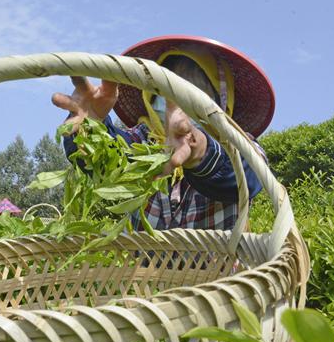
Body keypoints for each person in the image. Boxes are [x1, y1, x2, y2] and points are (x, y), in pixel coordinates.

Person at [53, 35, 274, 231]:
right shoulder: (144, 141)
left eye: (191, 91)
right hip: (145, 276)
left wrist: (198, 151)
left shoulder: (239, 144)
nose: (176, 103)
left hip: (220, 275)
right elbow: (110, 162)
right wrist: (92, 129)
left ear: (220, 103)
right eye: (164, 91)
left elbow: (246, 177)